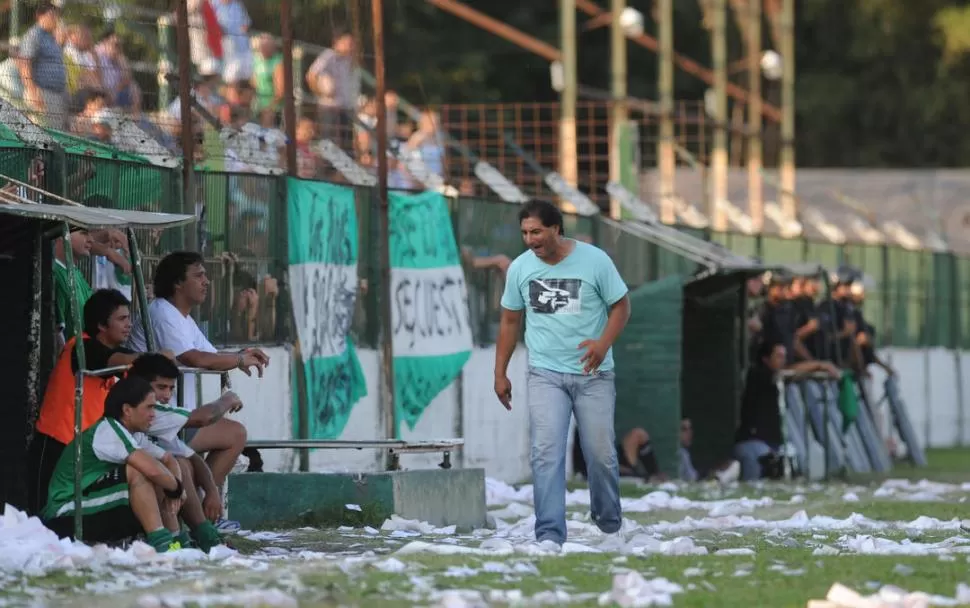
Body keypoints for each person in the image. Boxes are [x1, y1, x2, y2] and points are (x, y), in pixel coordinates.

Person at [494, 200, 631, 550]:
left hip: (594, 375)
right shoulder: (521, 269)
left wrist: (602, 344)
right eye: (525, 232)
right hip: (545, 375)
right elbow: (510, 320)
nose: (530, 239)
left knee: (600, 452)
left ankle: (610, 525)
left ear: (556, 228)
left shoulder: (595, 261)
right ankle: (550, 534)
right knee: (546, 452)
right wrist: (501, 372)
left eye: (536, 231)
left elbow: (621, 306)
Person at [127, 251, 268, 530]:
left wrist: (241, 353)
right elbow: (196, 359)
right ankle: (202, 516)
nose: (207, 281)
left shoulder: (183, 318)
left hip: (178, 417)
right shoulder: (162, 312)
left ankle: (205, 510)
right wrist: (239, 361)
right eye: (199, 275)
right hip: (155, 424)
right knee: (223, 440)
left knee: (231, 436)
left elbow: (211, 355)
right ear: (178, 284)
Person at [28, 289, 152, 514]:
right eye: (122, 319)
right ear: (102, 325)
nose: (129, 324)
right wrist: (152, 359)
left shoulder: (118, 354)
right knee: (44, 515)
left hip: (86, 449)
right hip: (57, 444)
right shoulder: (81, 347)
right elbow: (114, 360)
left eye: (129, 318)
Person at [42, 377, 193, 552]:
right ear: (127, 410)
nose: (154, 414)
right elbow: (151, 470)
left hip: (90, 501)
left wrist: (174, 489)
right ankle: (161, 543)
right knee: (139, 470)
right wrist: (177, 489)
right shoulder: (108, 430)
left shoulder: (133, 434)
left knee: (162, 476)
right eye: (149, 407)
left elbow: (168, 459)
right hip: (64, 512)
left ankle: (175, 541)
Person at [127, 354, 243, 551]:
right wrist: (228, 398)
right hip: (111, 484)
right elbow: (203, 418)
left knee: (179, 463)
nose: (166, 395)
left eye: (171, 388)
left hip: (145, 481)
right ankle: (181, 540)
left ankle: (193, 537)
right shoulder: (147, 413)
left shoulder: (153, 413)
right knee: (169, 470)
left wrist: (212, 492)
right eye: (161, 387)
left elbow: (189, 456)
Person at [734, 341, 840, 481]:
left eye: (784, 356)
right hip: (753, 444)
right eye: (778, 356)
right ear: (766, 359)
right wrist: (820, 365)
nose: (783, 360)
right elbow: (786, 373)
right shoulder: (758, 374)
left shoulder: (777, 379)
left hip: (772, 445)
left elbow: (794, 374)